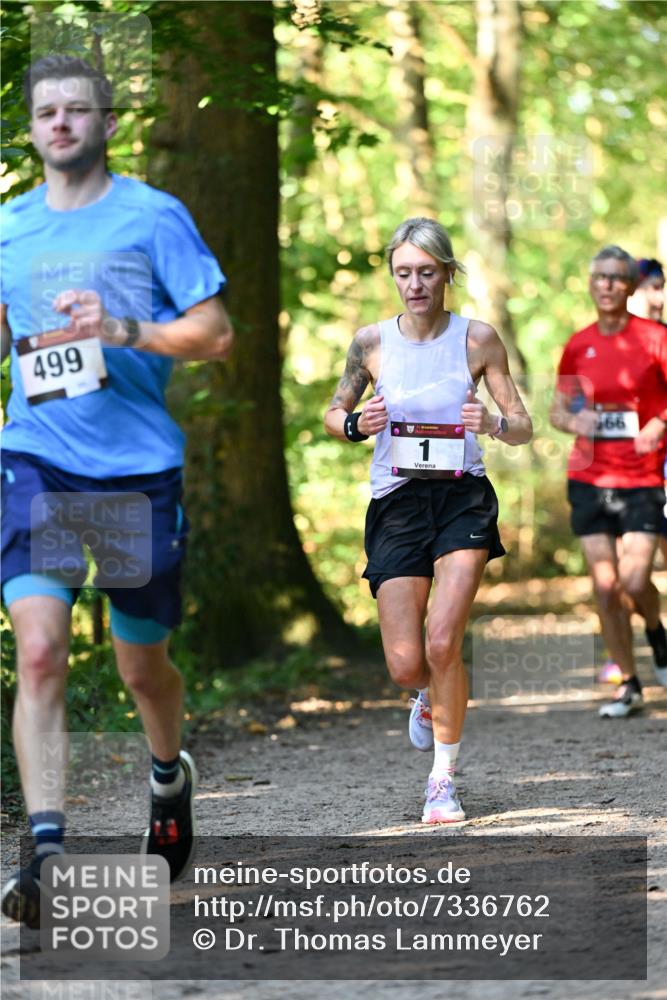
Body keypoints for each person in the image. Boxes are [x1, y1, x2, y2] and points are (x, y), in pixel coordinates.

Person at [1, 56, 233, 927]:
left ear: (105, 123)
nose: (60, 123)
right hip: (38, 463)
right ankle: (47, 844)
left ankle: (168, 775)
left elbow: (215, 335)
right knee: (40, 651)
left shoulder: (152, 216)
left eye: (77, 111)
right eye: (46, 112)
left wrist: (123, 328)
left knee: (142, 665)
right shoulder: (10, 227)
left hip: (135, 471)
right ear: (31, 128)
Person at [324, 218, 532, 824]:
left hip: (463, 497)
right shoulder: (371, 344)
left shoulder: (478, 340)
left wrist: (491, 424)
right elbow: (334, 413)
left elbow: (522, 424)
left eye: (426, 273)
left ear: (447, 274)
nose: (415, 285)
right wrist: (357, 423)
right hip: (396, 503)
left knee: (444, 639)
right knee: (406, 662)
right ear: (393, 275)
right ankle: (422, 696)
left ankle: (442, 780)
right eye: (403, 273)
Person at [550, 246, 667, 720]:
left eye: (616, 278)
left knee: (634, 579)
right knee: (604, 586)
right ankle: (629, 683)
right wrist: (577, 422)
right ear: (591, 283)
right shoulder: (579, 344)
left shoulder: (655, 338)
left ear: (631, 286)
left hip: (641, 477)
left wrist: (659, 423)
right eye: (599, 277)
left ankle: (656, 633)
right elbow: (559, 410)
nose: (606, 285)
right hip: (589, 476)